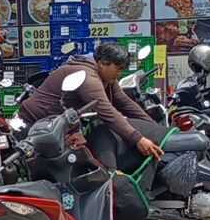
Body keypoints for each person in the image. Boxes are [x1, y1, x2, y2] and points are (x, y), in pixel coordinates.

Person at [18, 42, 163, 170]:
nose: (120, 74)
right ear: (102, 62)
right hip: (36, 123)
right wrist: (138, 139)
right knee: (51, 166)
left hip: (59, 124)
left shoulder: (106, 78)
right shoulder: (87, 76)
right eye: (118, 68)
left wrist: (154, 128)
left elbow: (124, 103)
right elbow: (107, 112)